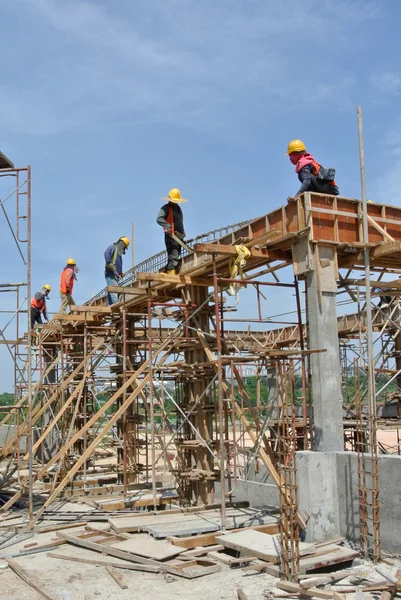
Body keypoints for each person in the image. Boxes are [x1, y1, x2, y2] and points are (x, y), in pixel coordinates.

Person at [156, 188, 187, 275]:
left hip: (179, 236)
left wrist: (183, 233)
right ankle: (171, 275)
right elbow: (159, 219)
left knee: (175, 256)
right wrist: (168, 226)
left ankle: (167, 272)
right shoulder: (166, 208)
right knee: (173, 256)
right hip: (171, 236)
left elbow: (180, 221)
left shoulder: (178, 209)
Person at [104, 236, 130, 306]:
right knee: (114, 290)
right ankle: (118, 306)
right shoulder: (112, 247)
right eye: (124, 247)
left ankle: (107, 307)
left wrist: (120, 273)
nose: (124, 249)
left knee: (111, 291)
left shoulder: (119, 255)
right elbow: (106, 254)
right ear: (122, 244)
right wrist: (110, 263)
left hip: (115, 275)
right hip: (110, 273)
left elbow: (118, 265)